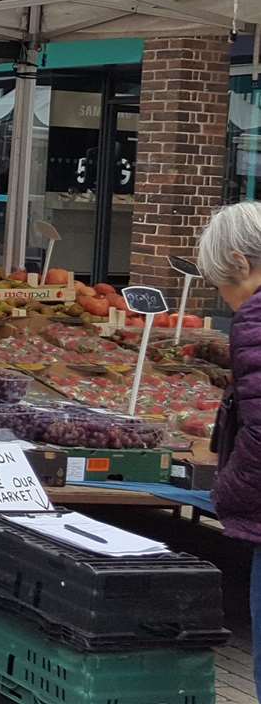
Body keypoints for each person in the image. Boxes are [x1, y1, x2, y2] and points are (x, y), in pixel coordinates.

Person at [196, 203, 261, 695]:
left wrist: (229, 490)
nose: (225, 298)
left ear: (240, 263)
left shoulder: (256, 320)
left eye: (221, 282)